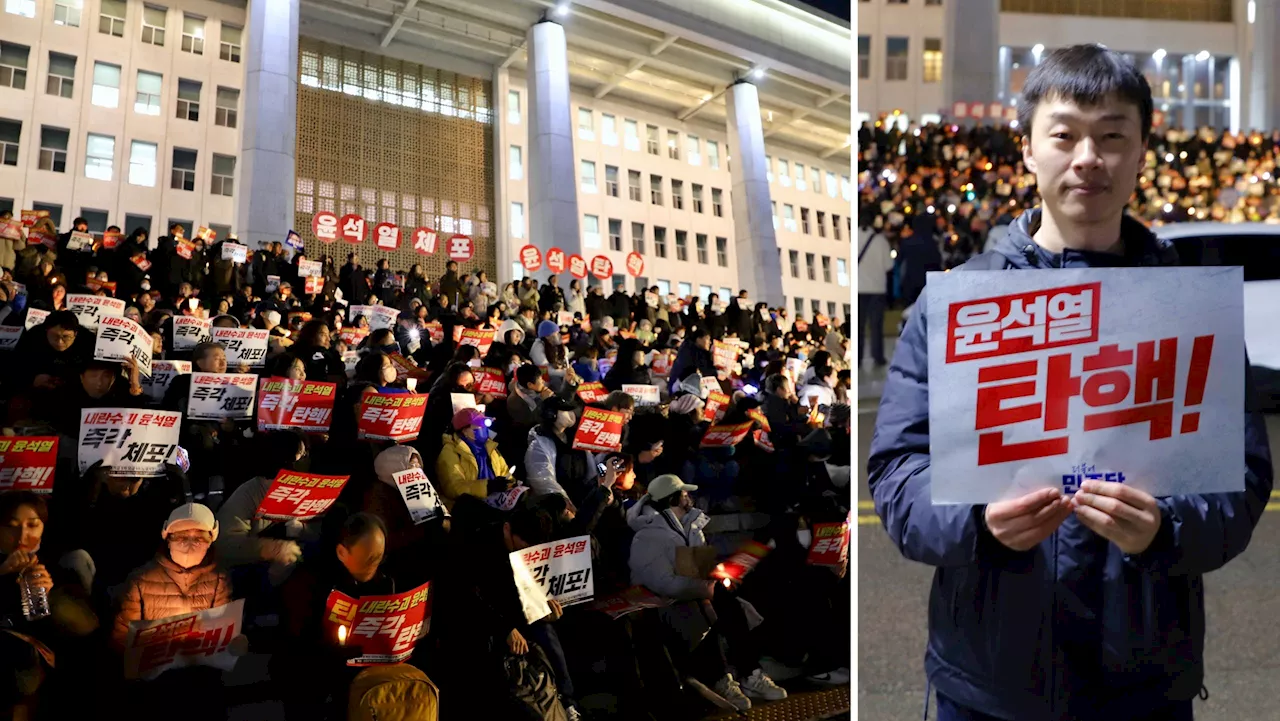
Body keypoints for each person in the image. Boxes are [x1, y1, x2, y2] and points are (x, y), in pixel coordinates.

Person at [868, 44, 1274, 721]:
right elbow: (895, 471)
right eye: (1065, 135)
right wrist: (977, 523)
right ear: (1028, 150)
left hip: (1144, 681)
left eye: (1113, 136)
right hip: (987, 679)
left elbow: (1244, 476)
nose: (1088, 157)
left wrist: (1167, 529)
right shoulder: (959, 304)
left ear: (1142, 152)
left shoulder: (1186, 309)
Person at [627, 475, 786, 711]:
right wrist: (707, 587)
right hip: (662, 604)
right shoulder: (647, 535)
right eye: (684, 494)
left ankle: (750, 673)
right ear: (673, 498)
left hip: (693, 592)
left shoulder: (690, 525)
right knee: (702, 608)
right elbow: (662, 583)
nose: (688, 497)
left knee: (730, 601)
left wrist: (719, 575)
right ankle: (721, 679)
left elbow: (699, 566)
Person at [436, 408, 511, 509]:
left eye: (484, 426)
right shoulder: (450, 452)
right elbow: (453, 488)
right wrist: (487, 487)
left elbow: (506, 473)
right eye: (479, 426)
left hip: (496, 505)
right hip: (467, 510)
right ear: (464, 431)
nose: (483, 429)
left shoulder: (489, 448)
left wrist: (512, 488)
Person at [857, 210, 894, 368]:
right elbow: (889, 265)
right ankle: (877, 356)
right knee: (876, 325)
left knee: (858, 326)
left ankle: (857, 357)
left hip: (859, 288)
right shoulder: (881, 241)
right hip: (877, 288)